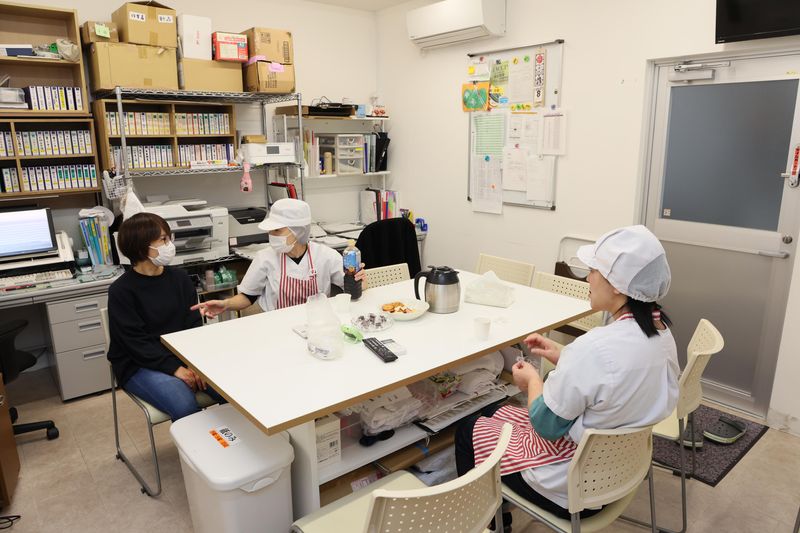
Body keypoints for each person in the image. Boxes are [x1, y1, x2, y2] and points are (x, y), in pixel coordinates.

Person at [455, 225, 679, 525]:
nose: (587, 279)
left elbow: (546, 425)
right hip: (620, 473)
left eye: (594, 271)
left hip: (572, 488)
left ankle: (491, 523)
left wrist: (532, 381)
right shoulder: (661, 335)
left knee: (467, 429)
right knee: (492, 411)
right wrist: (562, 356)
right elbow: (615, 379)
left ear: (617, 285)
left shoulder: (594, 348)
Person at [107, 212, 224, 421]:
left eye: (169, 238)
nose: (169, 244)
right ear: (140, 246)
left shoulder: (180, 279)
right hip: (139, 364)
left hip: (182, 356)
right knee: (184, 404)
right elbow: (135, 342)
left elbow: (193, 325)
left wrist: (194, 364)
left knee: (231, 390)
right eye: (163, 239)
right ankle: (196, 443)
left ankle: (231, 440)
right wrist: (175, 369)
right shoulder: (121, 291)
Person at [193, 198, 365, 317]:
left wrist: (359, 280)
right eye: (270, 230)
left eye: (277, 230)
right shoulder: (265, 258)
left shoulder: (325, 256)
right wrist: (226, 304)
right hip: (276, 326)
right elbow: (248, 297)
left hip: (315, 324)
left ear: (298, 231)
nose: (271, 235)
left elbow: (353, 288)